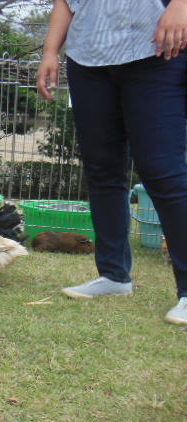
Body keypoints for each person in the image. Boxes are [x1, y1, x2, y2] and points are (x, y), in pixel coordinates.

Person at [36, 0, 187, 325]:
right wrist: (51, 50)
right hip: (88, 58)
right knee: (103, 172)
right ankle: (114, 276)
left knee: (164, 174)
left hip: (157, 52)